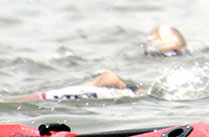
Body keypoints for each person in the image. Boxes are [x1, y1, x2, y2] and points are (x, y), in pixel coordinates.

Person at [9, 26, 188, 102]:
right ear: (151, 55)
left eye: (174, 53)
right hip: (119, 89)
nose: (169, 58)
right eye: (165, 53)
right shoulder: (115, 82)